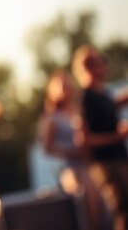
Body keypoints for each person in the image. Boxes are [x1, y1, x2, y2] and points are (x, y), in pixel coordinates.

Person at [40, 69, 106, 230]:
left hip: (90, 164)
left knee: (101, 209)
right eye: (61, 86)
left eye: (67, 85)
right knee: (86, 209)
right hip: (72, 168)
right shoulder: (52, 118)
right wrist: (71, 150)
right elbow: (47, 148)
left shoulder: (80, 110)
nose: (66, 89)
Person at [72, 45, 128, 230]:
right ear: (89, 68)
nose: (106, 64)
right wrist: (117, 136)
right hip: (106, 163)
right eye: (101, 61)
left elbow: (113, 105)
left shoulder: (102, 94)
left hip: (118, 159)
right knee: (123, 211)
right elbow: (83, 139)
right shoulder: (86, 98)